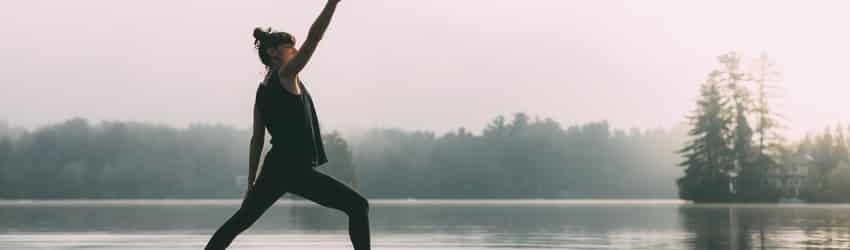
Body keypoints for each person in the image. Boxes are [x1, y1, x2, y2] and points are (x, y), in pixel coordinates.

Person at [205, 1, 371, 249]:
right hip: (294, 170)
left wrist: (251, 184)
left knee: (240, 221)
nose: (295, 50)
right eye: (289, 47)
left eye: (295, 47)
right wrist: (332, 3)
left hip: (276, 169)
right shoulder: (286, 75)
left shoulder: (262, 91)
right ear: (273, 53)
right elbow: (314, 39)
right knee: (358, 206)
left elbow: (257, 141)